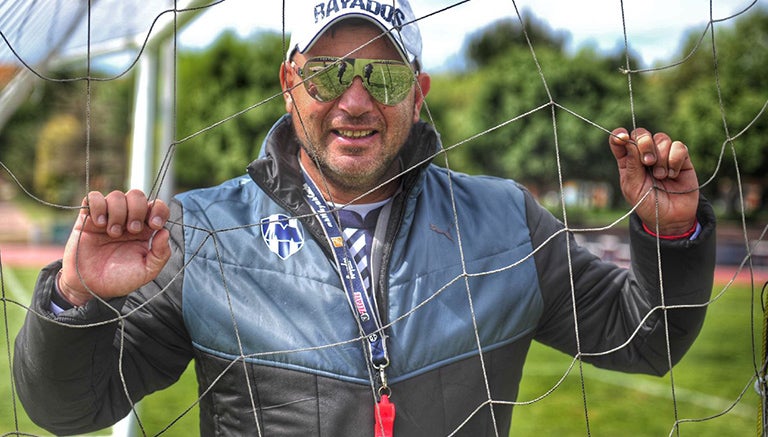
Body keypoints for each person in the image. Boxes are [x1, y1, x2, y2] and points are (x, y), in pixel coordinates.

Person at [14, 1, 716, 436]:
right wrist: (74, 299)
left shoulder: (505, 219)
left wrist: (670, 234)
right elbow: (67, 409)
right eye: (326, 74)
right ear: (289, 84)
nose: (354, 102)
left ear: (419, 92)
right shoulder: (203, 234)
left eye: (381, 77)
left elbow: (644, 338)